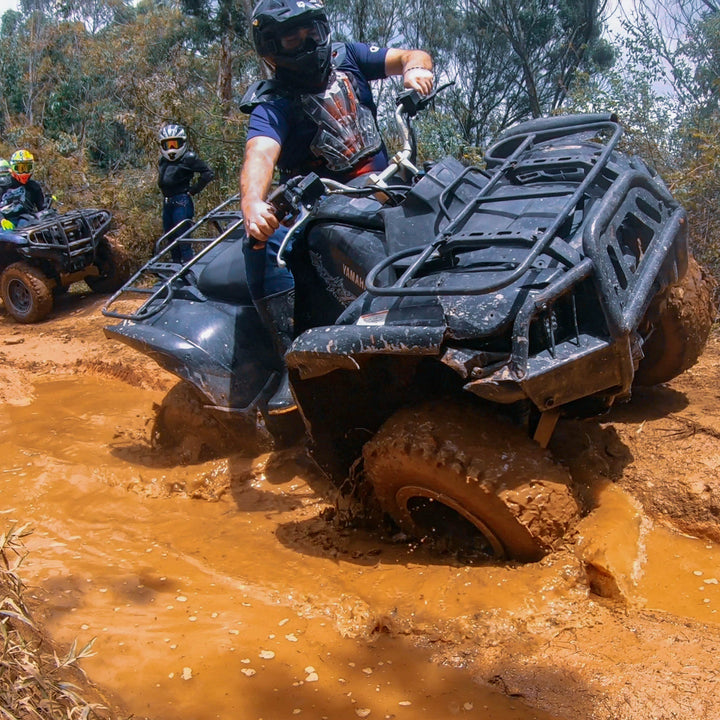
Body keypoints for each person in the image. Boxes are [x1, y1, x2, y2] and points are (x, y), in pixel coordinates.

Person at [240, 0, 434, 414]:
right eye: (293, 35)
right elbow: (260, 152)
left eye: (310, 29)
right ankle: (290, 363)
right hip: (321, 203)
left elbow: (408, 56)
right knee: (261, 245)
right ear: (272, 49)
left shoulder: (349, 57)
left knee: (449, 196)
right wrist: (252, 201)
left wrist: (417, 68)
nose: (306, 40)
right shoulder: (272, 100)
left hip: (386, 184)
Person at [157, 123, 215, 262]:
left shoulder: (189, 158)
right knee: (170, 238)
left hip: (181, 201)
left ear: (182, 143)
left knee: (183, 237)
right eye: (168, 145)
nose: (171, 148)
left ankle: (188, 268)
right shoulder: (162, 161)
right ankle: (176, 268)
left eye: (175, 144)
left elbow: (208, 173)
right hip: (167, 202)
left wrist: (193, 190)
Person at [0, 150, 46, 229]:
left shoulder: (34, 186)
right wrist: (2, 220)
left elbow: (42, 208)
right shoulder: (3, 185)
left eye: (28, 168)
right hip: (5, 224)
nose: (24, 172)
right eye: (20, 168)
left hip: (27, 222)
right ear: (13, 168)